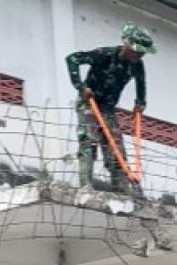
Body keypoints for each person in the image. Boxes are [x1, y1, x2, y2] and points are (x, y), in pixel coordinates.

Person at [65, 24, 153, 192]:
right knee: (88, 141)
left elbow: (141, 82)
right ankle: (85, 186)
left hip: (108, 109)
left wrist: (140, 102)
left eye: (143, 53)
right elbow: (72, 59)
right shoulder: (104, 54)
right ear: (127, 45)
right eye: (138, 51)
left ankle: (122, 192)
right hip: (89, 103)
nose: (140, 55)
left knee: (116, 149)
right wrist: (81, 87)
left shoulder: (137, 65)